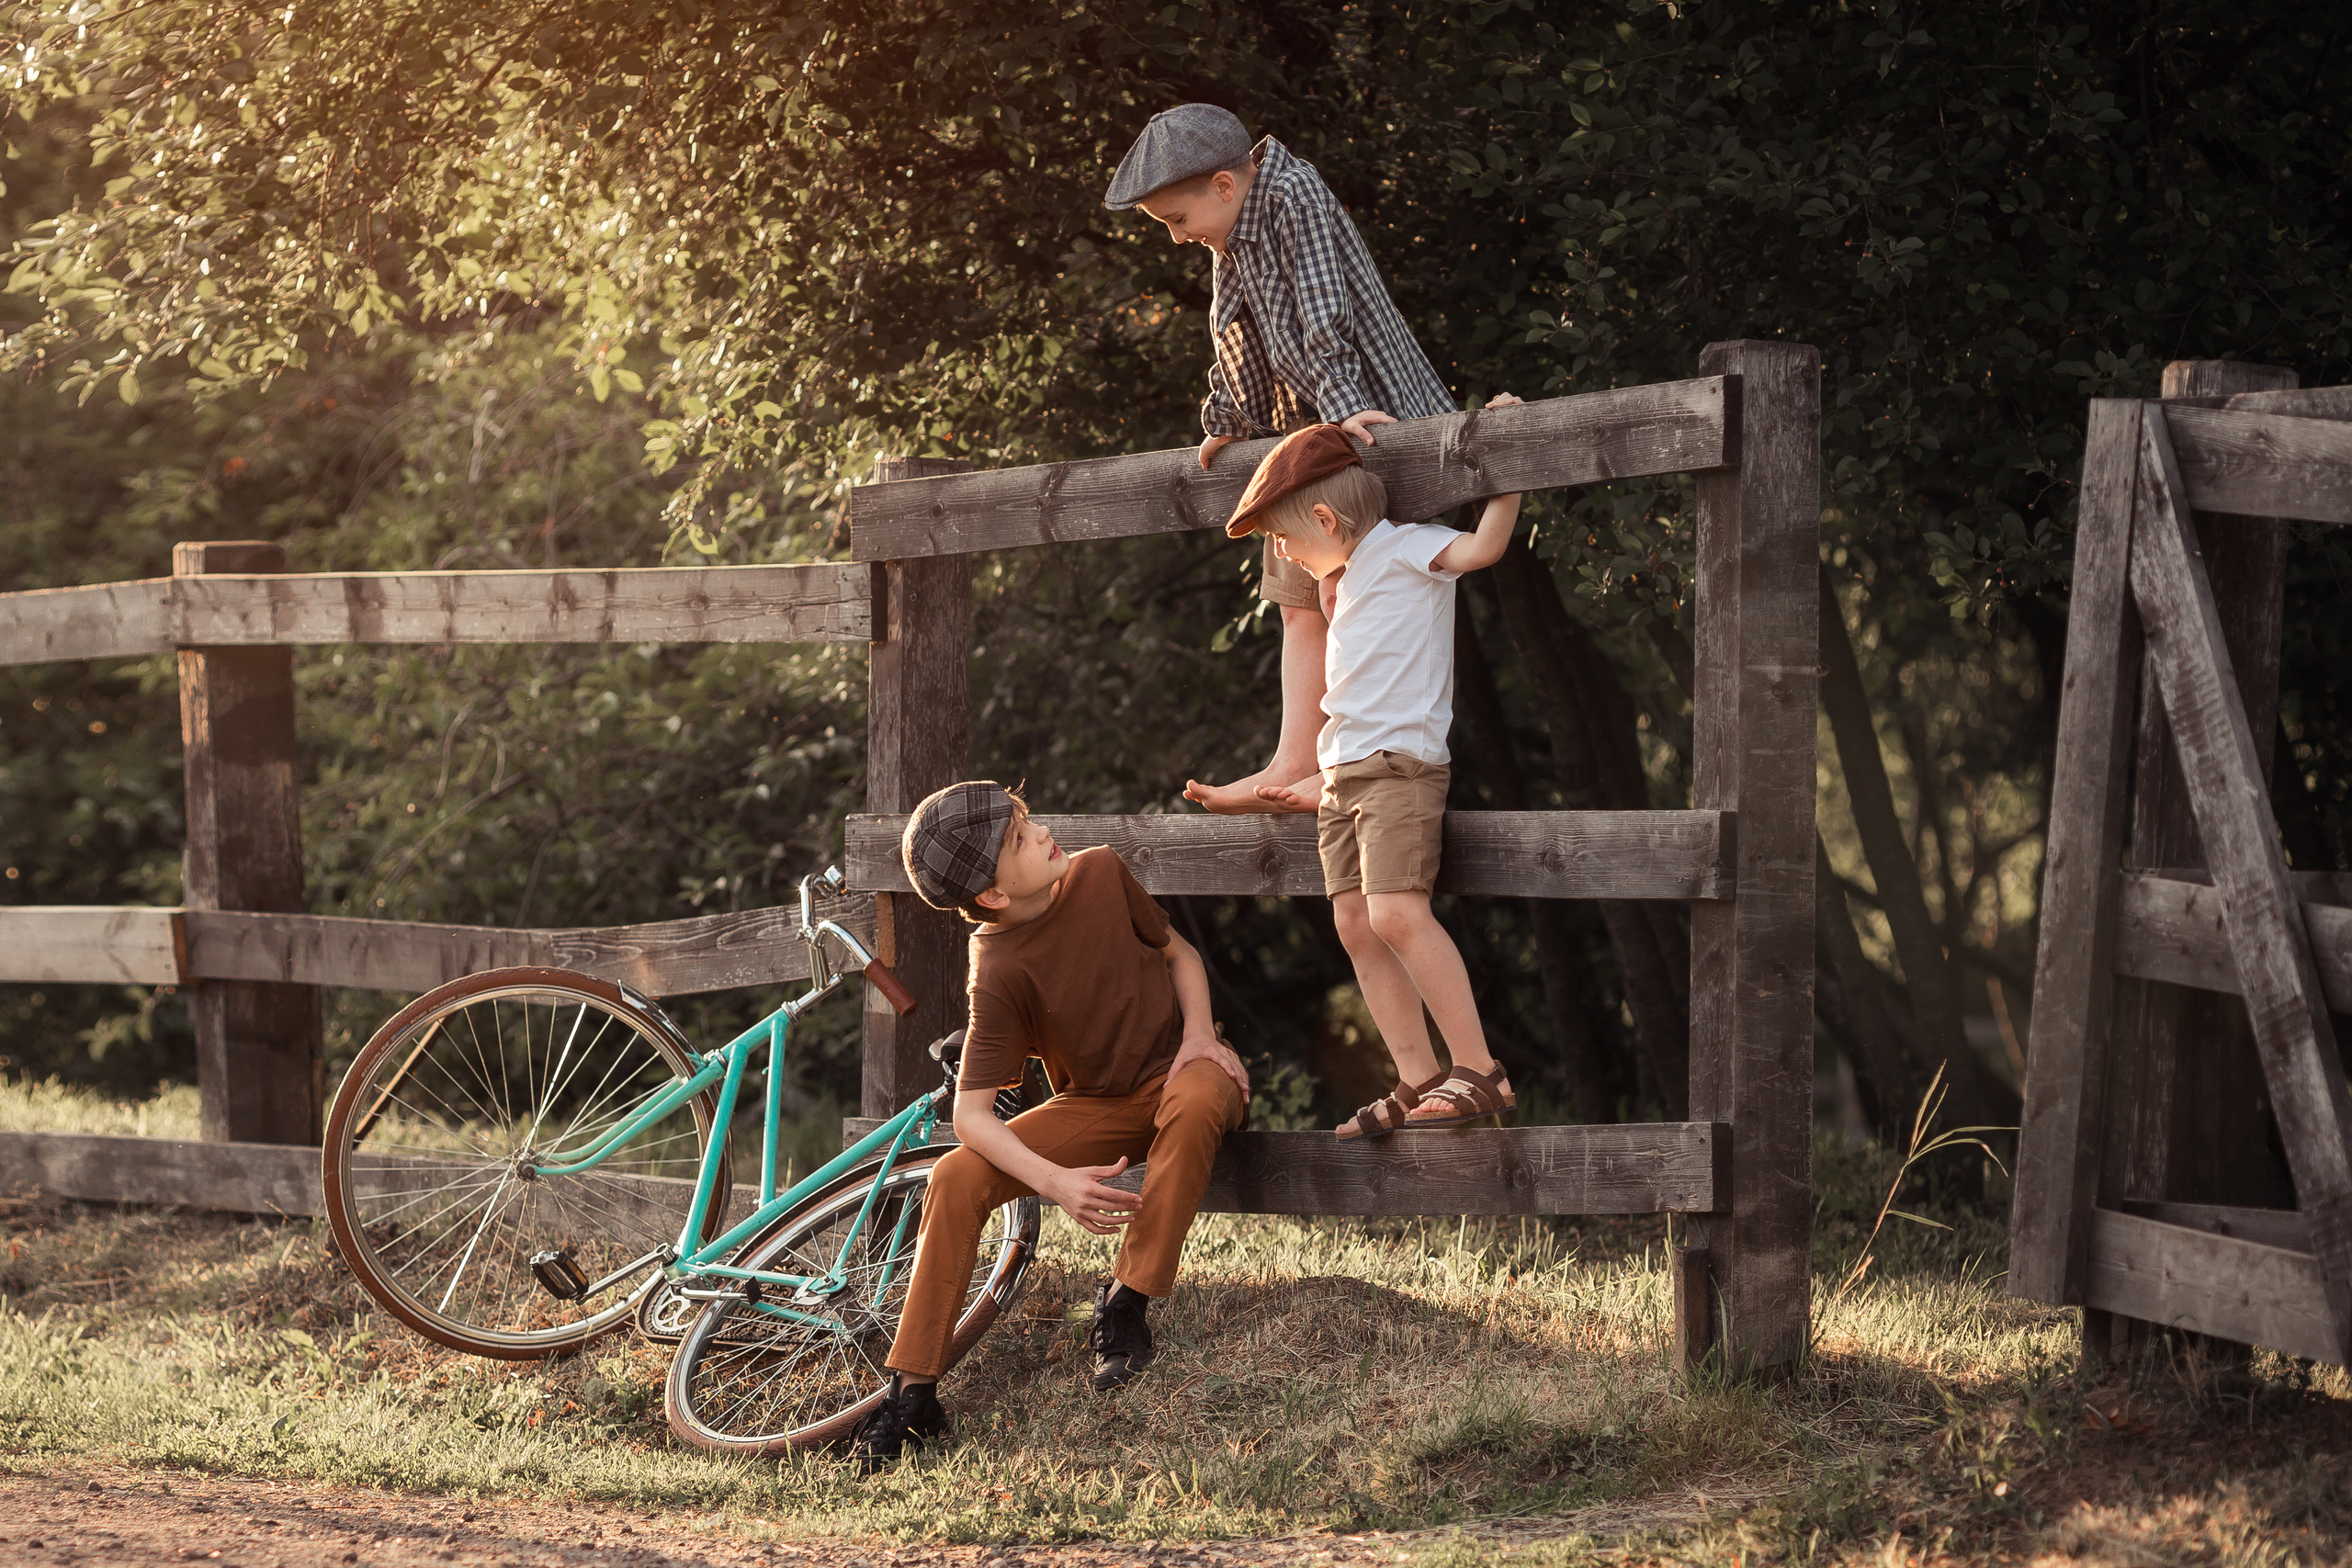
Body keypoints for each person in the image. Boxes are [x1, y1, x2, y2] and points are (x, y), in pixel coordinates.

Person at [850, 781, 1250, 1471]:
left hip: (1190, 1069)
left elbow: (1180, 954)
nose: (1040, 834)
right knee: (954, 1173)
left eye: (1027, 821)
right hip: (1099, 1104)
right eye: (1019, 838)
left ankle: (1127, 1301)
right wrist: (1055, 1181)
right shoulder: (997, 967)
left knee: (1191, 1103)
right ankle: (913, 1394)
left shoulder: (1100, 871)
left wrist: (1199, 1037)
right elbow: (970, 1115)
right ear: (996, 895)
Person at [1103, 103, 1457, 816]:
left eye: (1176, 219)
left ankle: (1355, 764)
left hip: (1370, 423)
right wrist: (1227, 419)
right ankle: (1297, 759)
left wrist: (1341, 396)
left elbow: (1326, 313)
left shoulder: (1293, 195)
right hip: (1303, 439)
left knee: (1366, 603)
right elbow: (1232, 331)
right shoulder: (1228, 236)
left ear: (1226, 186)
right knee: (1301, 605)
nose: (1177, 238)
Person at [1227, 418, 1523, 1138]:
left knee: (1396, 913)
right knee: (1355, 923)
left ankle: (1480, 1068)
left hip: (1399, 768)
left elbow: (1484, 546)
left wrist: (1509, 452)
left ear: (1326, 518)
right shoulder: (1345, 581)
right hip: (1346, 775)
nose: (1280, 552)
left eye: (1282, 536)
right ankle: (1418, 1073)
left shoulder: (1405, 549)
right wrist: (1320, 776)